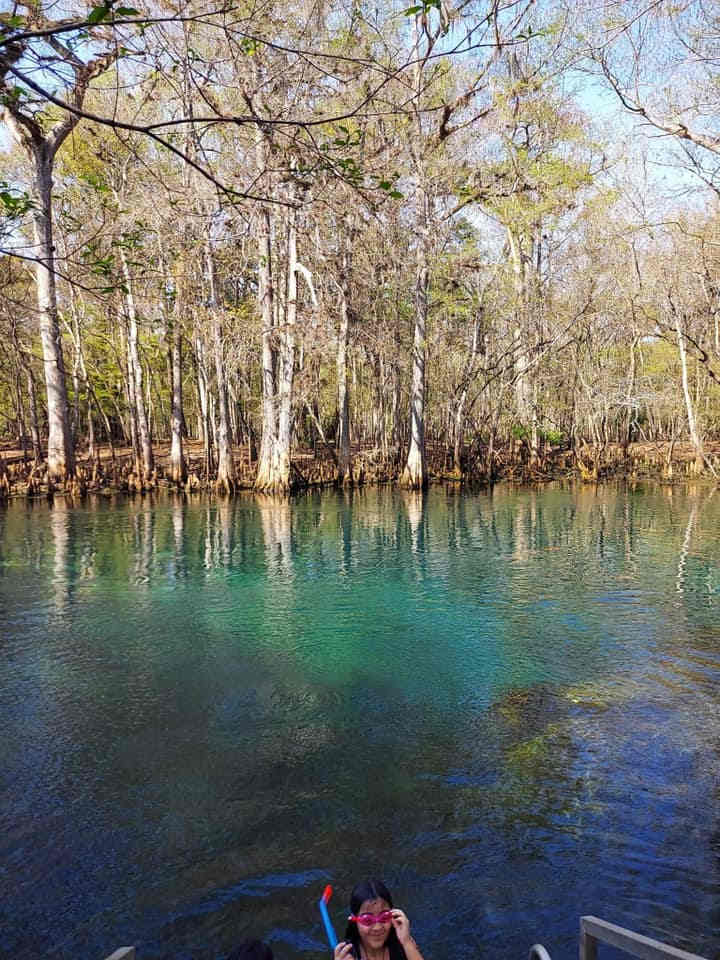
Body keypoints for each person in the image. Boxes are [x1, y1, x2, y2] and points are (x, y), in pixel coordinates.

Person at [332, 879, 426, 960]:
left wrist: (406, 942)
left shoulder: (404, 943)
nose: (377, 927)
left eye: (384, 917)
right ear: (354, 921)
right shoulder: (346, 955)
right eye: (367, 920)